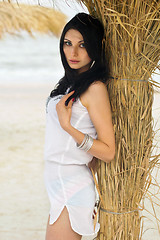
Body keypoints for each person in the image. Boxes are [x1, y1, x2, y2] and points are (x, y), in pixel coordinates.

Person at [44, 12, 115, 240]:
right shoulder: (68, 84)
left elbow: (108, 151)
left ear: (94, 47)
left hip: (71, 187)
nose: (73, 52)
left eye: (82, 45)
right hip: (58, 185)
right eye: (68, 43)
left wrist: (69, 127)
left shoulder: (95, 88)